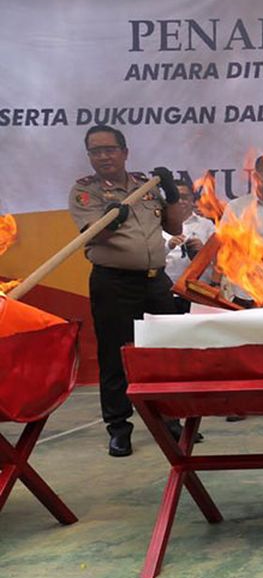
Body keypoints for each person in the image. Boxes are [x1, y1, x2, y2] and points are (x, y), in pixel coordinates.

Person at [68, 125, 187, 457]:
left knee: (164, 352)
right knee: (115, 355)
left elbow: (174, 227)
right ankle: (119, 428)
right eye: (95, 151)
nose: (103, 156)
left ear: (124, 152)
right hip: (114, 282)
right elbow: (91, 235)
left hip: (155, 281)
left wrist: (172, 195)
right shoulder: (85, 192)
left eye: (109, 149)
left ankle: (170, 420)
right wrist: (112, 220)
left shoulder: (144, 187)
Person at [162, 179, 215, 312]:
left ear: (193, 199)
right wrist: (169, 246)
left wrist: (203, 251)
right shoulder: (158, 226)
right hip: (167, 293)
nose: (180, 201)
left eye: (184, 197)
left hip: (199, 294)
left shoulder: (207, 225)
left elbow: (222, 262)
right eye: (175, 198)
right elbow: (149, 258)